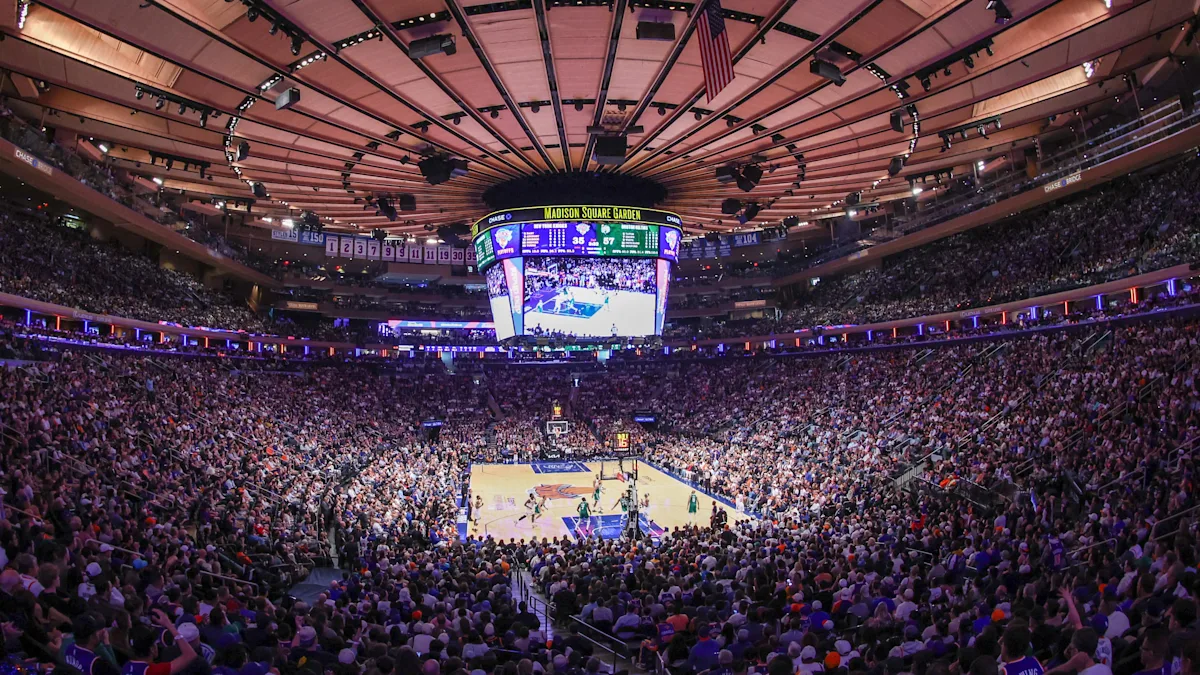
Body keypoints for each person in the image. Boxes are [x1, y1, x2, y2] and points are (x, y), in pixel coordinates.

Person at [121, 608, 196, 675]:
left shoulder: (126, 666)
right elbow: (190, 655)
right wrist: (169, 624)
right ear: (152, 649)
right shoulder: (151, 671)